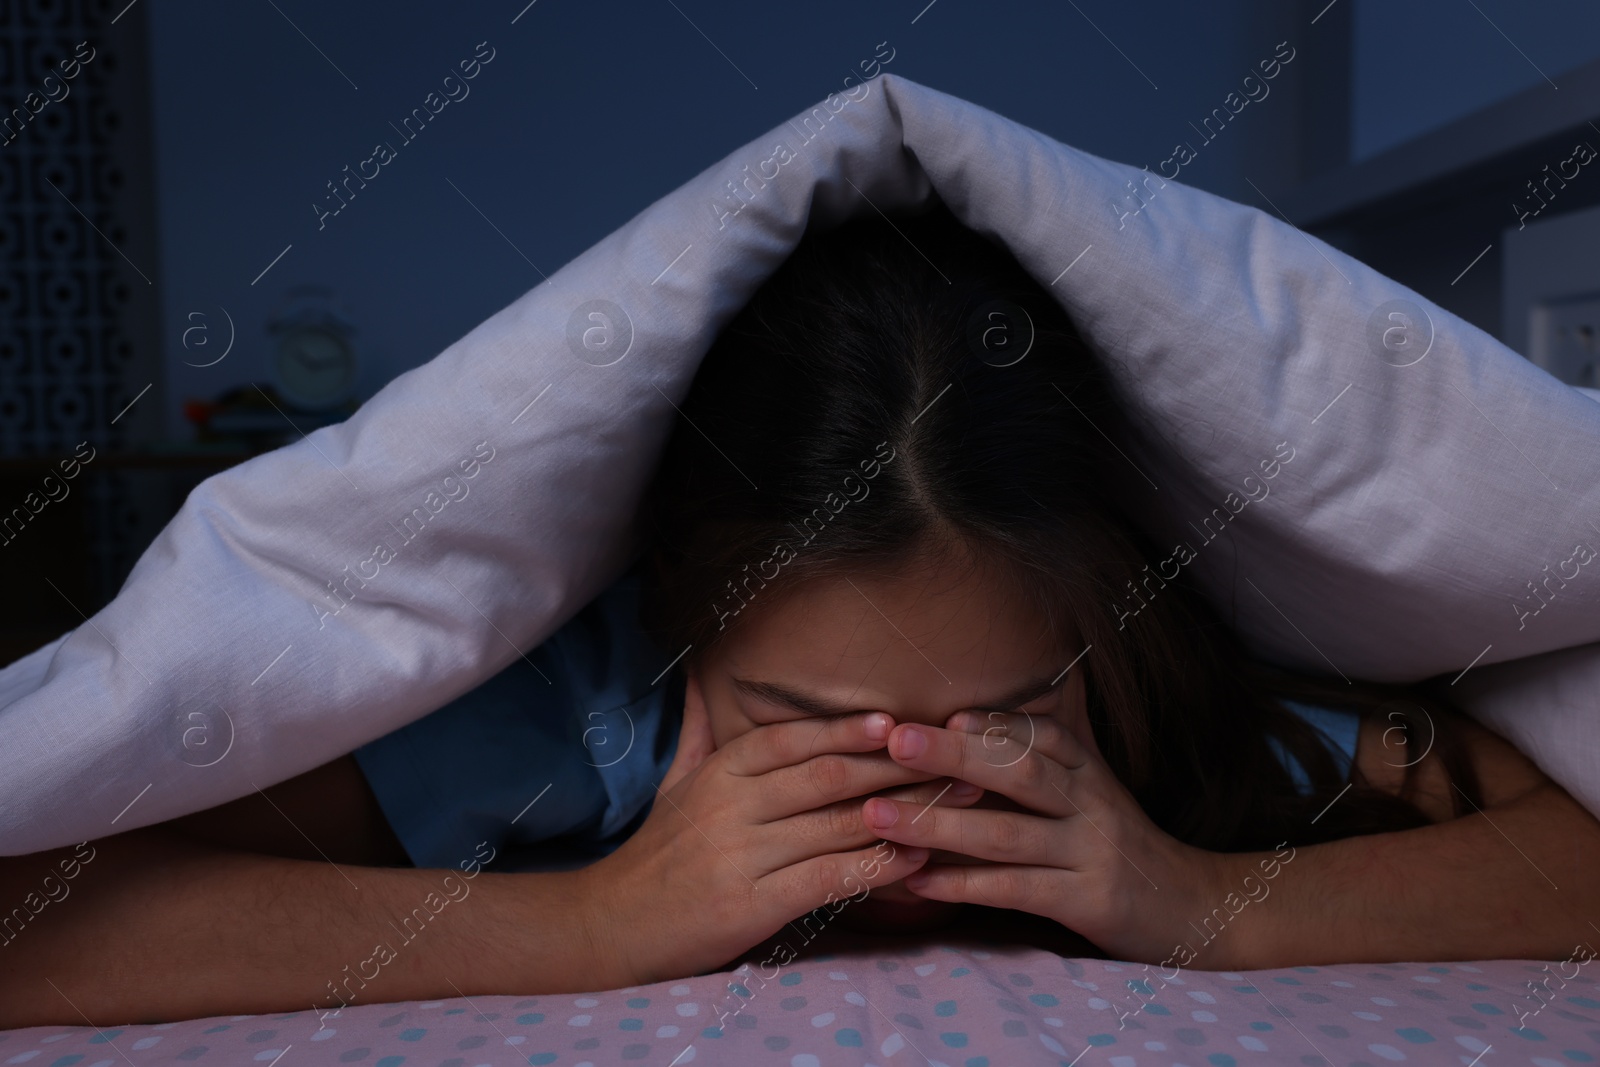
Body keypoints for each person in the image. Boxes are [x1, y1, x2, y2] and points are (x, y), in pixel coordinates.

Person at [1, 202, 1596, 1028]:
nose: (909, 784)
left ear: (1104, 630)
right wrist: (601, 921)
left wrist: (1196, 903)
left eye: (997, 716)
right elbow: (41, 913)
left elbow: (1570, 840)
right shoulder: (582, 713)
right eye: (806, 730)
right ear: (684, 614)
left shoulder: (1152, 690)